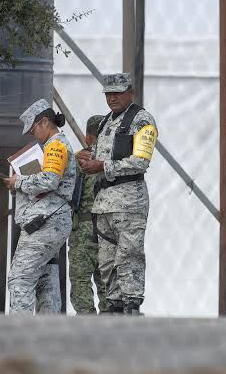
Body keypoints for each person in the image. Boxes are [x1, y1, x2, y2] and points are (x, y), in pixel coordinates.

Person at [78, 73, 158, 315]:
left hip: (128, 203)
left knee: (129, 257)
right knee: (107, 262)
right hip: (104, 204)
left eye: (117, 93)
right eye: (108, 94)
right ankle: (114, 308)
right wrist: (86, 158)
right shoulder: (106, 121)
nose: (112, 98)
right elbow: (100, 154)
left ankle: (131, 307)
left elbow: (141, 162)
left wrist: (102, 166)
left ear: (130, 92)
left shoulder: (142, 121)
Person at [2, 99, 76, 314]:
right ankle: (49, 329)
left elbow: (50, 180)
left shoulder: (55, 145)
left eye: (33, 129)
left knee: (20, 279)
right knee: (46, 281)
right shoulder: (54, 145)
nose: (32, 135)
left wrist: (18, 182)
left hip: (44, 222)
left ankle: (20, 330)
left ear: (44, 122)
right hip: (50, 220)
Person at [69, 115, 108, 314]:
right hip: (108, 229)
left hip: (83, 228)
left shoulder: (79, 160)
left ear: (88, 137)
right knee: (107, 280)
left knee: (80, 281)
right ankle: (111, 320)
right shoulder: (113, 162)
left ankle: (86, 322)